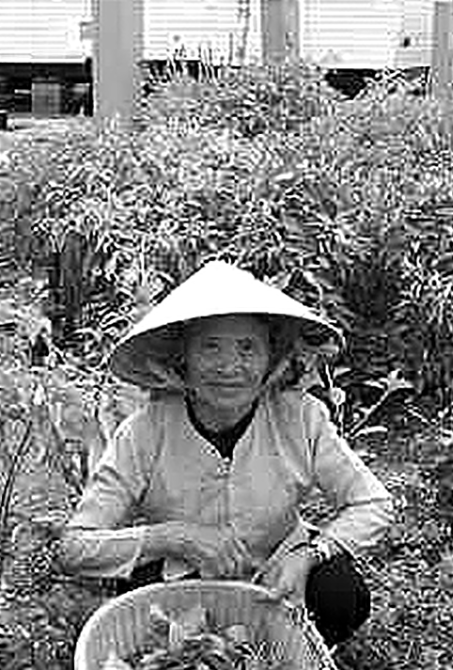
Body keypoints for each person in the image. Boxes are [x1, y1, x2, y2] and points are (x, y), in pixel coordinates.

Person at [58, 261, 394, 646]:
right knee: (151, 627)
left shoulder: (300, 417)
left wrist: (308, 554)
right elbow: (74, 547)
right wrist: (176, 537)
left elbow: (372, 503)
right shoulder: (144, 431)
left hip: (277, 574)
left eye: (248, 348)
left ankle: (288, 654)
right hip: (182, 575)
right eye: (211, 347)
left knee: (341, 596)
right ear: (183, 358)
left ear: (272, 357)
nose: (230, 366)